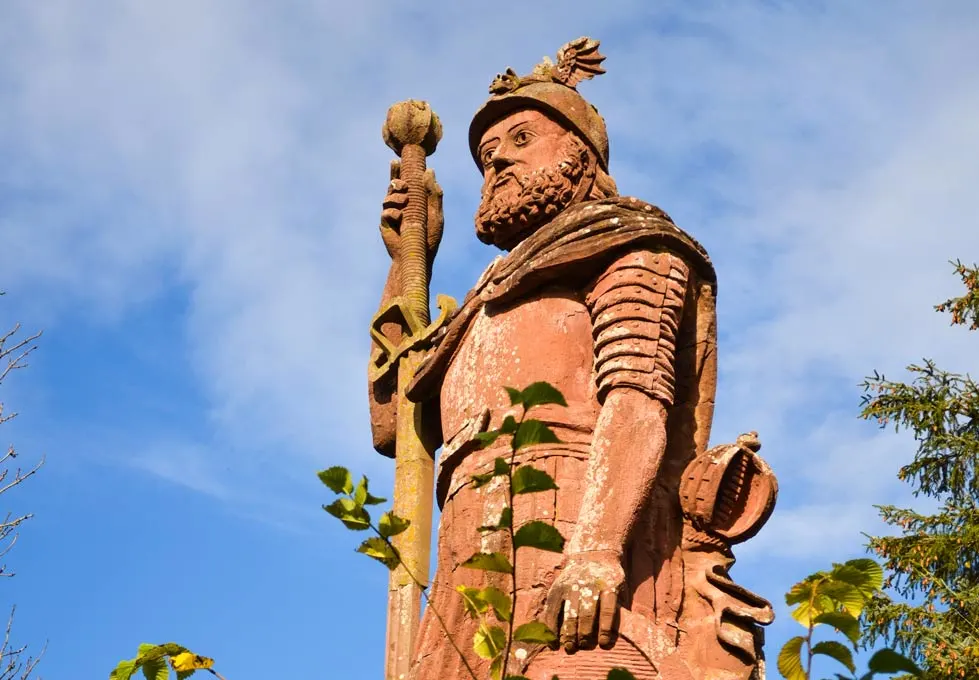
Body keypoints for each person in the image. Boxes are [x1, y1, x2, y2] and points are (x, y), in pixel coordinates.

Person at [369, 37, 774, 680]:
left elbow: (639, 399)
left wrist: (594, 552)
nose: (497, 160)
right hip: (466, 559)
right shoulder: (482, 301)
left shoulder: (628, 244)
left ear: (578, 153)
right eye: (485, 156)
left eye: (521, 138)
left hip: (573, 528)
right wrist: (405, 263)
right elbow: (395, 431)